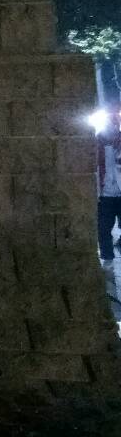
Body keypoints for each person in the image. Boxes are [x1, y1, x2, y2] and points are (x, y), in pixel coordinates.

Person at [96, 105, 121, 318]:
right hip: (105, 194)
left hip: (120, 192)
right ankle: (108, 260)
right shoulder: (96, 144)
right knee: (103, 228)